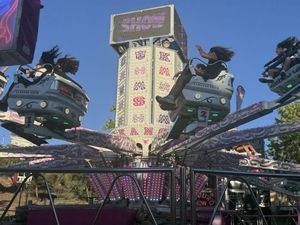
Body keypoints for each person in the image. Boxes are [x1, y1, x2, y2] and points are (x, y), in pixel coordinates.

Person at [156, 45, 235, 110]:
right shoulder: (216, 64)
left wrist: (200, 50)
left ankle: (171, 98)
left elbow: (203, 55)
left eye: (209, 52)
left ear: (213, 54)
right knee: (185, 76)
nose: (208, 54)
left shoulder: (216, 62)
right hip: (209, 78)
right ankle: (172, 101)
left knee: (187, 72)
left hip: (209, 79)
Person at [0, 46, 60, 112]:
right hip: (38, 89)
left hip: (34, 89)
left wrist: (28, 71)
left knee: (16, 82)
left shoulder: (42, 69)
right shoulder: (49, 70)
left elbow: (33, 76)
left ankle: (4, 103)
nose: (38, 63)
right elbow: (32, 75)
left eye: (39, 61)